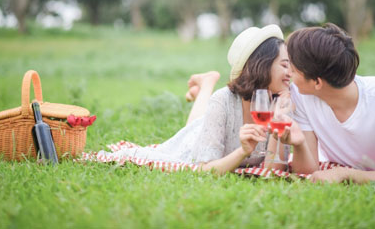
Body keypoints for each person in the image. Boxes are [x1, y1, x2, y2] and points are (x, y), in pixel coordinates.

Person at [100, 24, 291, 174]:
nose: (290, 72)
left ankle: (204, 85)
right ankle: (206, 85)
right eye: (284, 65)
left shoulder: (282, 102)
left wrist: (279, 129)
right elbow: (202, 168)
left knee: (198, 123)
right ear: (263, 65)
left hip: (209, 123)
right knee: (191, 132)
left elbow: (272, 172)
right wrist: (242, 152)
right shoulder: (223, 101)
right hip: (193, 144)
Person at [276, 23, 375, 183]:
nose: (288, 74)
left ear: (317, 82)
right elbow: (307, 172)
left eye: (294, 70)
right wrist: (299, 144)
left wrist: (345, 174)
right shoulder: (301, 95)